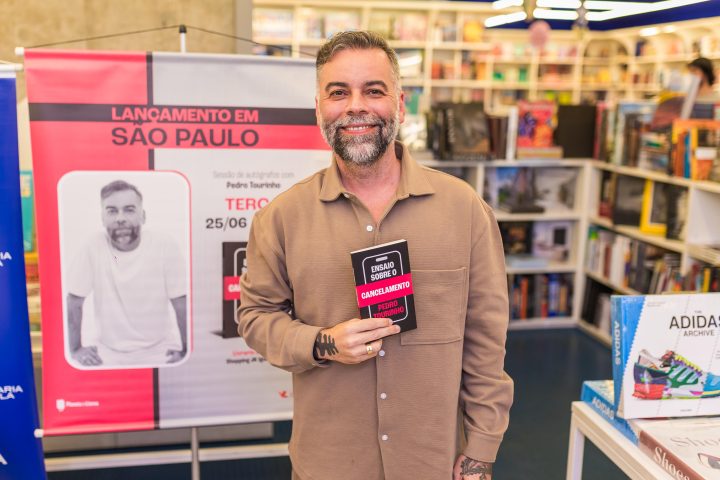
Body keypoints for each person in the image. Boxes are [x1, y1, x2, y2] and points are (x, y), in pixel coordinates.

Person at [239, 31, 513, 480]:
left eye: (373, 90)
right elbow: (255, 318)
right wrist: (324, 342)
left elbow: (486, 338)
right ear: (319, 109)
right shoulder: (282, 217)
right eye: (338, 92)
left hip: (434, 461)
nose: (355, 106)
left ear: (401, 104)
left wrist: (482, 448)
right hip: (329, 462)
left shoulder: (463, 209)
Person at [66, 180, 188, 368]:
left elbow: (181, 302)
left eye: (129, 209)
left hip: (161, 349)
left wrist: (186, 350)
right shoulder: (92, 246)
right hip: (107, 351)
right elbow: (74, 300)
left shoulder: (165, 245)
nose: (120, 218)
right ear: (102, 218)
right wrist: (75, 349)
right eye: (112, 211)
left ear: (143, 216)